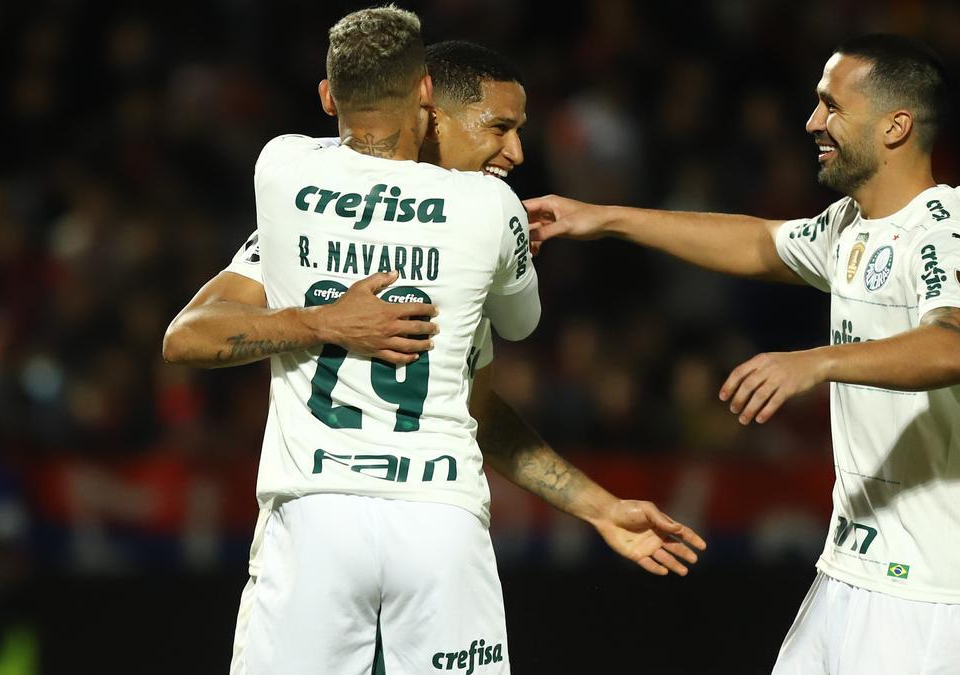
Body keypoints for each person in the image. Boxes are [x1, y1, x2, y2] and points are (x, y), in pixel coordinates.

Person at [163, 15, 702, 673]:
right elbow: (519, 326)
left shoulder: (294, 189)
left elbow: (474, 408)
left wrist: (599, 505)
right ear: (428, 104)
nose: (516, 154)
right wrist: (327, 320)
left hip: (319, 522)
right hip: (433, 524)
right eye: (498, 129)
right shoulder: (489, 214)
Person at [527, 34, 960, 674]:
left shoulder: (946, 233)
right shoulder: (851, 227)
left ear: (896, 126)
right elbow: (758, 243)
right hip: (850, 571)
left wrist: (815, 361)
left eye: (831, 107)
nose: (813, 123)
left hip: (926, 593)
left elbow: (953, 349)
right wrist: (605, 218)